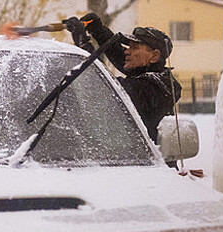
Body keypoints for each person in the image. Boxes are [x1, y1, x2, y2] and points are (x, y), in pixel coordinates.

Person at [64, 13, 182, 144]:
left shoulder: (152, 88)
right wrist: (98, 30)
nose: (127, 51)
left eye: (134, 47)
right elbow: (120, 55)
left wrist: (84, 43)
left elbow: (101, 84)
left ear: (154, 56)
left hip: (143, 161)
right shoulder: (152, 76)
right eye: (128, 46)